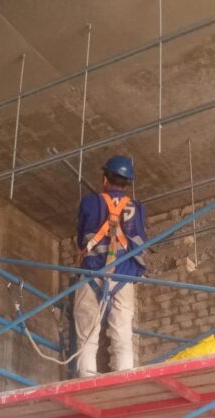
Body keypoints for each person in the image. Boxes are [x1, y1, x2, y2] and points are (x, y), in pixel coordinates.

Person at [74, 155, 147, 377]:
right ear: (127, 184)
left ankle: (86, 379)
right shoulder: (137, 208)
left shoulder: (89, 202)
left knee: (87, 336)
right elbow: (140, 241)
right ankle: (125, 380)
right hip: (124, 278)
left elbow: (81, 241)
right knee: (122, 335)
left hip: (92, 273)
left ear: (105, 179)